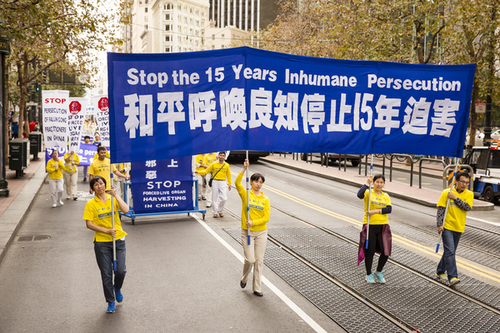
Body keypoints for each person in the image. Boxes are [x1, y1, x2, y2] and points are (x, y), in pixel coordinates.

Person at [83, 176, 129, 313]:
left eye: (101, 183)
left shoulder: (112, 199)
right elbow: (89, 224)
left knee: (121, 270)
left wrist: (116, 196)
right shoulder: (90, 204)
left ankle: (117, 287)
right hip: (102, 242)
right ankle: (110, 301)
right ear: (93, 188)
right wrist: (106, 231)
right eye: (96, 185)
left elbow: (126, 210)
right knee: (106, 273)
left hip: (118, 239)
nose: (99, 186)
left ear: (105, 185)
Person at [236, 159, 270, 297]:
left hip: (261, 232)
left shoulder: (265, 200)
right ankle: (244, 278)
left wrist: (254, 222)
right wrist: (244, 168)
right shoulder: (246, 194)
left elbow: (266, 218)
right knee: (250, 260)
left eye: (261, 182)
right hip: (247, 232)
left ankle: (257, 288)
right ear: (251, 181)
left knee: (259, 261)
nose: (258, 184)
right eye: (256, 181)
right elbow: (237, 183)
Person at [436, 171, 473, 286]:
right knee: (450, 252)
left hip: (459, 227)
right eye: (462, 182)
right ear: (456, 181)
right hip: (447, 227)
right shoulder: (446, 193)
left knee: (449, 252)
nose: (464, 184)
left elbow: (466, 207)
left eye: (467, 182)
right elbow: (441, 209)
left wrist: (455, 198)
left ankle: (440, 271)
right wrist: (439, 224)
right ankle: (453, 276)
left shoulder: (469, 194)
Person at [357, 174, 392, 284]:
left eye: (381, 182)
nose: (379, 184)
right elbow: (359, 195)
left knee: (386, 251)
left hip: (383, 226)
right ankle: (368, 274)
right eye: (377, 182)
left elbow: (389, 209)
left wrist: (375, 211)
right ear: (373, 183)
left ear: (384, 184)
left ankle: (378, 271)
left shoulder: (385, 195)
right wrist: (367, 183)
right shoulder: (368, 193)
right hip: (370, 225)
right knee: (370, 251)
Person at [196, 151, 231, 218]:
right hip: (215, 181)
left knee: (224, 198)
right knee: (214, 198)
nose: (221, 157)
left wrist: (229, 183)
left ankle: (220, 210)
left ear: (225, 157)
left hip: (223, 182)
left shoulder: (227, 165)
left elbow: (228, 175)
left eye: (223, 155)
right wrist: (197, 172)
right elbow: (206, 171)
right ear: (218, 156)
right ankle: (215, 212)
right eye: (220, 155)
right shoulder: (214, 164)